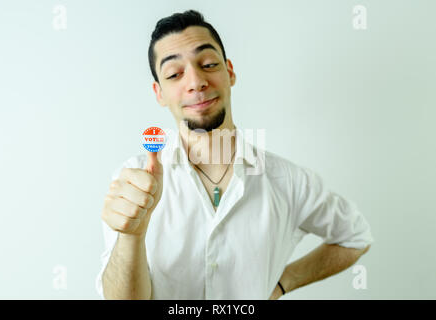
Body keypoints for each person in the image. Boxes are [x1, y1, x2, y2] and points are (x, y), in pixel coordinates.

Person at [96, 10, 374, 300]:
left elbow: (356, 237)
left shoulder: (289, 181)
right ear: (159, 93)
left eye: (207, 64)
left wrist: (283, 283)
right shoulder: (133, 183)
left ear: (229, 72)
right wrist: (132, 235)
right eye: (175, 74)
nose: (196, 82)